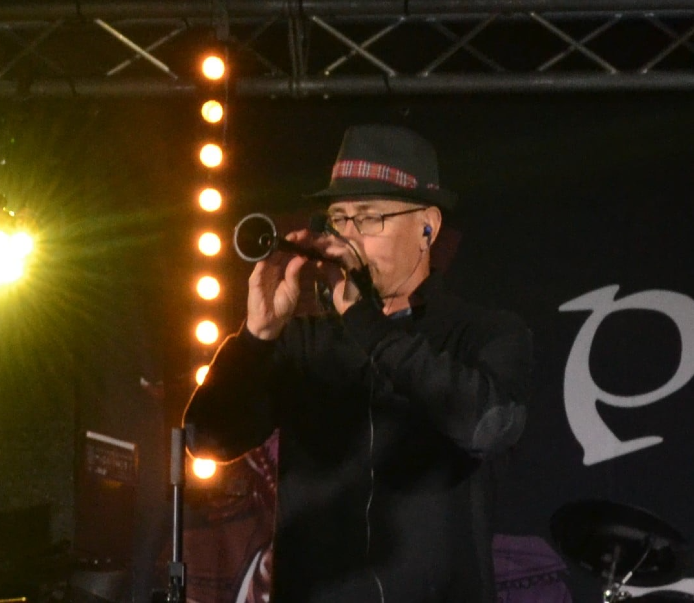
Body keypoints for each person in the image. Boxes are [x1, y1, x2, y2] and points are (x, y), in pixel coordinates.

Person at [184, 124, 533, 602]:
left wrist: (364, 321)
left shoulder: (483, 332)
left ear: (427, 226)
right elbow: (207, 439)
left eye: (368, 218)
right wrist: (255, 339)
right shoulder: (306, 342)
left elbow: (488, 425)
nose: (348, 236)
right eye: (338, 219)